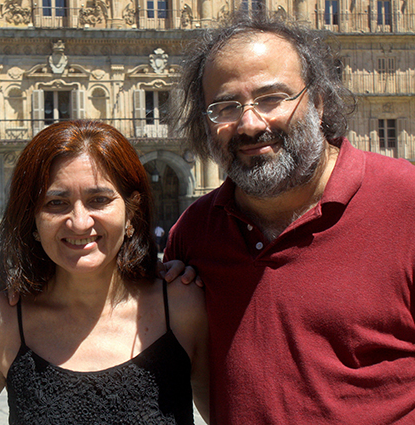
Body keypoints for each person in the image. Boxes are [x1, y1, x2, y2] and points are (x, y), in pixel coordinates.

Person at [165, 12, 415, 424]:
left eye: (271, 98)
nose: (249, 123)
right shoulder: (194, 234)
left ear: (316, 103)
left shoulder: (405, 202)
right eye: (226, 106)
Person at [0, 120, 210, 425]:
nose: (79, 222)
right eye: (56, 203)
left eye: (99, 200)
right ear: (33, 221)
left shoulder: (184, 306)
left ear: (132, 211)